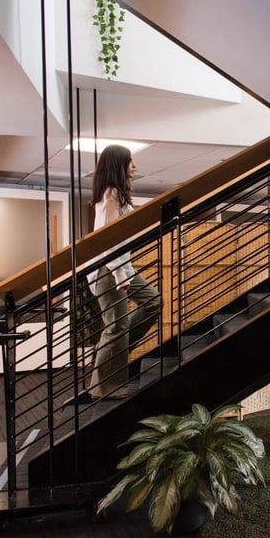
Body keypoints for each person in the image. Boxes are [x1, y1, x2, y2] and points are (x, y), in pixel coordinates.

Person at [86, 145, 163, 398]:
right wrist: (121, 276)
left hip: (118, 268)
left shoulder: (115, 194)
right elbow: (109, 240)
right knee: (116, 326)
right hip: (109, 270)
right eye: (130, 161)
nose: (135, 165)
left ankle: (111, 354)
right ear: (118, 164)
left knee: (152, 302)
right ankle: (105, 387)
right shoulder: (111, 195)